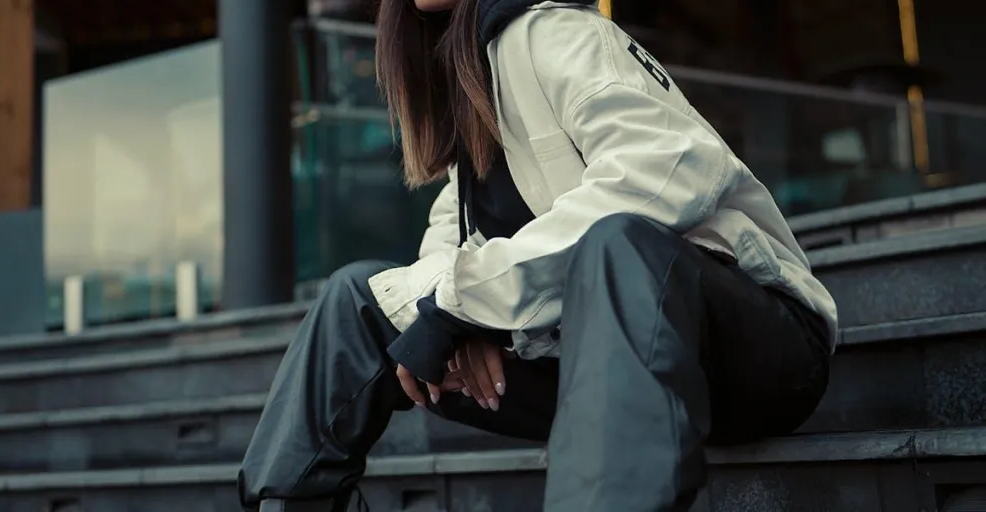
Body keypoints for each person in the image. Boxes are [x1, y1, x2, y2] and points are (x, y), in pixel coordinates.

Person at [237, 0, 837, 510]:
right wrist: (456, 312)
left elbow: (669, 168)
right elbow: (449, 247)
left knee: (619, 242)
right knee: (358, 299)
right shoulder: (472, 79)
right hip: (598, 370)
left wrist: (464, 303)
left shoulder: (559, 33)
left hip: (756, 353)